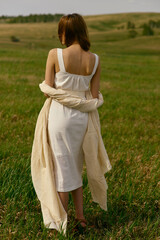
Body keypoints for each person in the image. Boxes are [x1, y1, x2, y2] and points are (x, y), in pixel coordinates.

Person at [44, 13, 100, 230]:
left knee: (61, 167)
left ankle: (59, 222)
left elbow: (48, 91)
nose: (60, 36)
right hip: (81, 119)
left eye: (61, 31)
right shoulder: (95, 59)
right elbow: (94, 97)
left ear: (66, 32)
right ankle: (81, 217)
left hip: (60, 116)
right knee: (76, 166)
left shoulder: (54, 54)